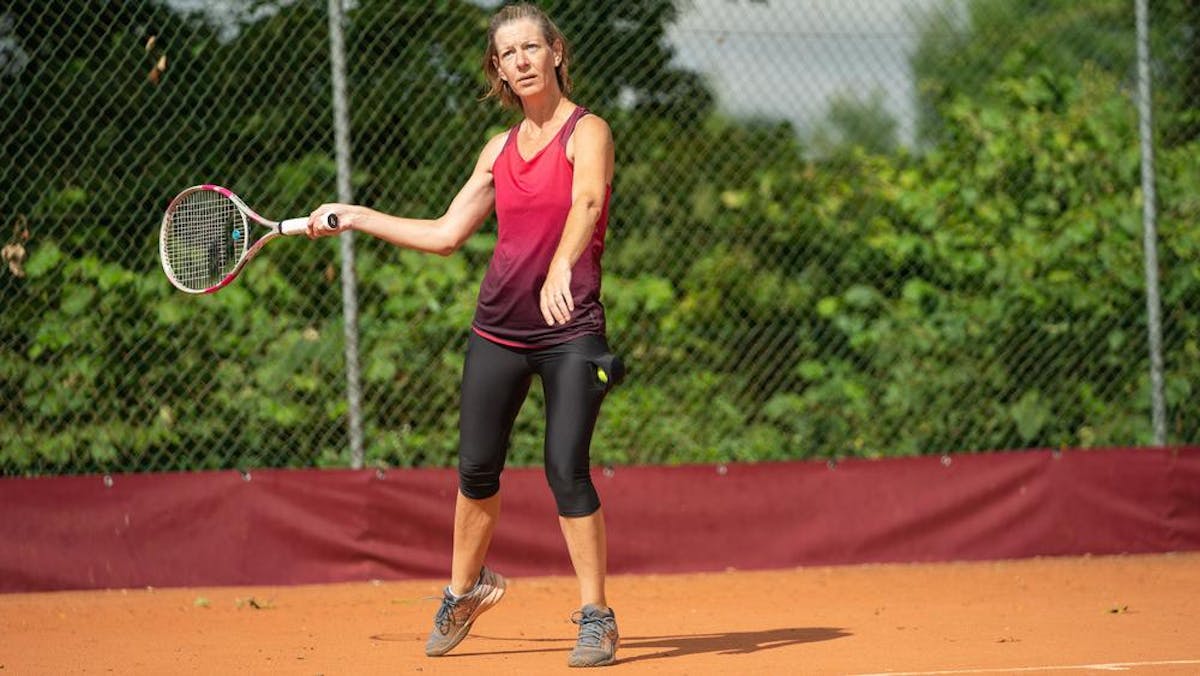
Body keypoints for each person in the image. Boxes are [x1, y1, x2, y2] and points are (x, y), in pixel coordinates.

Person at [305, 2, 622, 668]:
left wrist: (563, 262)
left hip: (571, 329)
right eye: (508, 54)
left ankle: (596, 616)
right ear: (498, 69)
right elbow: (447, 235)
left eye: (532, 48)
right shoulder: (498, 150)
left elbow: (588, 199)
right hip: (499, 329)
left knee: (565, 466)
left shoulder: (587, 131)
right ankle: (464, 589)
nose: (523, 62)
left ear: (557, 52)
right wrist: (358, 215)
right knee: (477, 470)